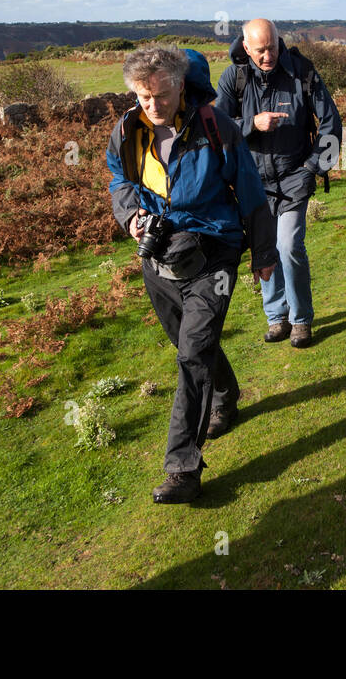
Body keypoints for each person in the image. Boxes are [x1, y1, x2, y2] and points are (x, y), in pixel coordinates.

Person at [106, 44, 279, 505]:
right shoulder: (127, 130)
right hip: (158, 257)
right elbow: (119, 180)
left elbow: (251, 191)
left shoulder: (214, 126)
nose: (153, 106)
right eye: (143, 98)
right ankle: (225, 392)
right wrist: (130, 217)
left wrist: (263, 252)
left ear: (180, 85)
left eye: (160, 96)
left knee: (192, 353)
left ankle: (182, 467)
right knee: (189, 342)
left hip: (214, 253)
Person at [215, 18, 342, 348]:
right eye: (260, 50)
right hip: (252, 182)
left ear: (278, 41)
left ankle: (301, 320)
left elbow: (331, 123)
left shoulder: (301, 72)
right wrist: (252, 124)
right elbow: (217, 128)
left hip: (294, 177)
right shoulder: (234, 78)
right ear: (246, 48)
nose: (268, 55)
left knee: (288, 246)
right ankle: (276, 317)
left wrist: (312, 167)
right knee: (264, 250)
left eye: (272, 47)